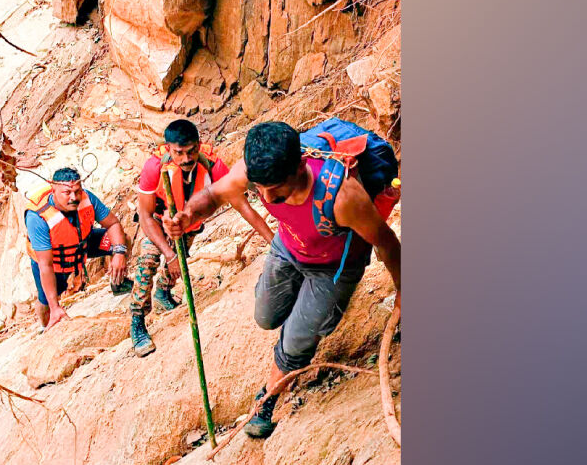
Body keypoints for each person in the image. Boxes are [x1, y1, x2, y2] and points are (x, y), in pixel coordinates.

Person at [163, 121, 400, 438]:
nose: (267, 197)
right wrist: (188, 215)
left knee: (296, 340)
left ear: (301, 165)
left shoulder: (342, 196)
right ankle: (307, 314)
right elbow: (214, 194)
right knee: (266, 316)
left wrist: (402, 290)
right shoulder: (260, 167)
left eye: (277, 188)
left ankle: (267, 400)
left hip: (333, 266)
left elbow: (386, 243)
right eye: (261, 188)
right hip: (289, 247)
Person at [129, 119, 272, 357]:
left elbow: (243, 207)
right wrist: (168, 252)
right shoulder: (155, 167)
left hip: (188, 225)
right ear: (168, 148)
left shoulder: (212, 165)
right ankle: (137, 320)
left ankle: (164, 292)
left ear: (199, 144)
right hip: (157, 222)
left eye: (192, 150)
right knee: (148, 262)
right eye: (179, 153)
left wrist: (273, 241)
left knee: (180, 263)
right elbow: (144, 215)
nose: (186, 159)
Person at [24, 167, 131, 334]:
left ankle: (119, 283)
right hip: (54, 261)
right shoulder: (37, 216)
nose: (73, 197)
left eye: (77, 191)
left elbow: (113, 224)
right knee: (45, 301)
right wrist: (55, 306)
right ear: (53, 189)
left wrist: (119, 253)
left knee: (121, 240)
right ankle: (47, 327)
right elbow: (45, 265)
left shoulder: (87, 198)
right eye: (67, 193)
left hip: (83, 245)